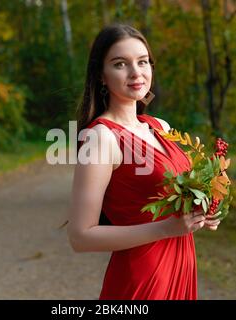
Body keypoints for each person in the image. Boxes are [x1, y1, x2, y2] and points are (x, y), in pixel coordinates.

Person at [66, 24, 220, 300]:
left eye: (143, 61)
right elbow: (80, 237)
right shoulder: (101, 138)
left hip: (181, 264)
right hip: (143, 279)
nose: (136, 73)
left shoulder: (160, 126)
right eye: (120, 64)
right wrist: (167, 228)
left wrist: (199, 212)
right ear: (101, 75)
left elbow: (171, 201)